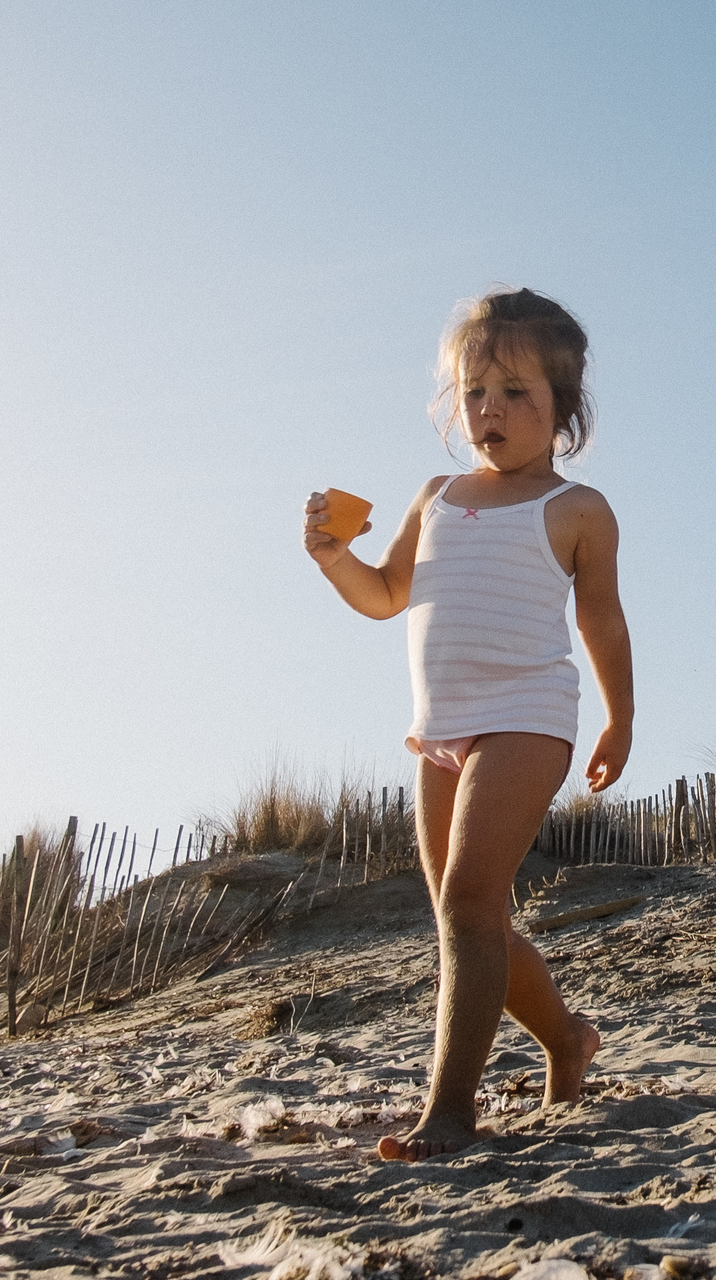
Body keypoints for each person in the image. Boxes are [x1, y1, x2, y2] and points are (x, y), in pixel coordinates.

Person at [303, 287, 632, 1161]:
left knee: (467, 901)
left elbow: (601, 619)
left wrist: (619, 718)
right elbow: (385, 595)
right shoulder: (438, 495)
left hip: (529, 713)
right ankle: (566, 1037)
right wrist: (339, 559)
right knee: (467, 915)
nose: (490, 409)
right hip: (441, 724)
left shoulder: (577, 509)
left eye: (516, 392)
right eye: (474, 390)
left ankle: (450, 1110)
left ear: (564, 407)